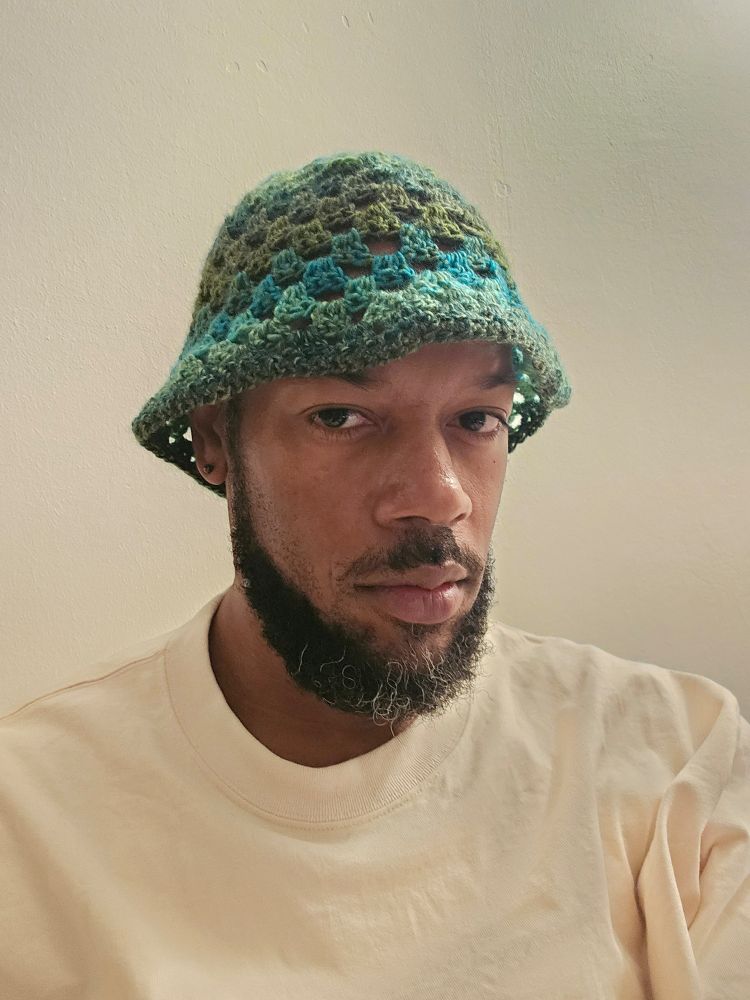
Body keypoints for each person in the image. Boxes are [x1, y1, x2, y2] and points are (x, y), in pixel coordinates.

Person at [1, 151, 747, 999]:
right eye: (341, 416)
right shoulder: (31, 823)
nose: (440, 496)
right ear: (214, 440)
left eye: (478, 419)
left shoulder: (675, 765)